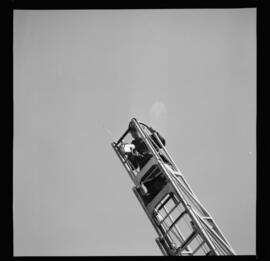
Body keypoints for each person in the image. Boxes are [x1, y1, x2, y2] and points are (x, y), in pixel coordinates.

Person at [124, 121, 171, 204]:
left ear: (140, 129)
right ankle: (150, 198)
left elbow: (162, 142)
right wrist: (129, 155)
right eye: (132, 131)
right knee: (147, 192)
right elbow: (133, 166)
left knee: (163, 181)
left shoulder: (148, 138)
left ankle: (155, 191)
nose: (134, 133)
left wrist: (154, 132)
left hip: (159, 168)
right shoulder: (132, 147)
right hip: (148, 174)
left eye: (135, 129)